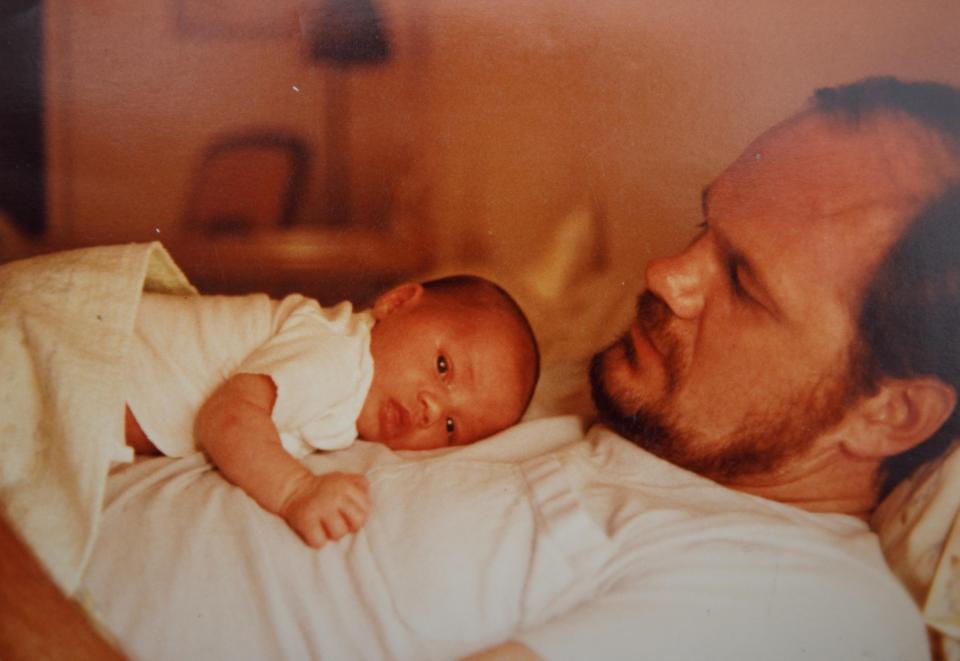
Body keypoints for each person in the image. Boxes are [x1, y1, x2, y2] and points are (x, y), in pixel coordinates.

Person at [4, 76, 959, 660]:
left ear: (889, 412)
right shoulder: (597, 414)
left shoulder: (799, 608)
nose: (665, 273)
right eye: (704, 226)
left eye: (743, 280)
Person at [124, 275, 540, 547]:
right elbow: (228, 416)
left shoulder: (353, 383)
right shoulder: (340, 358)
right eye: (443, 367)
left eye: (451, 427)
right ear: (397, 302)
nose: (431, 409)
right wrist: (296, 491)